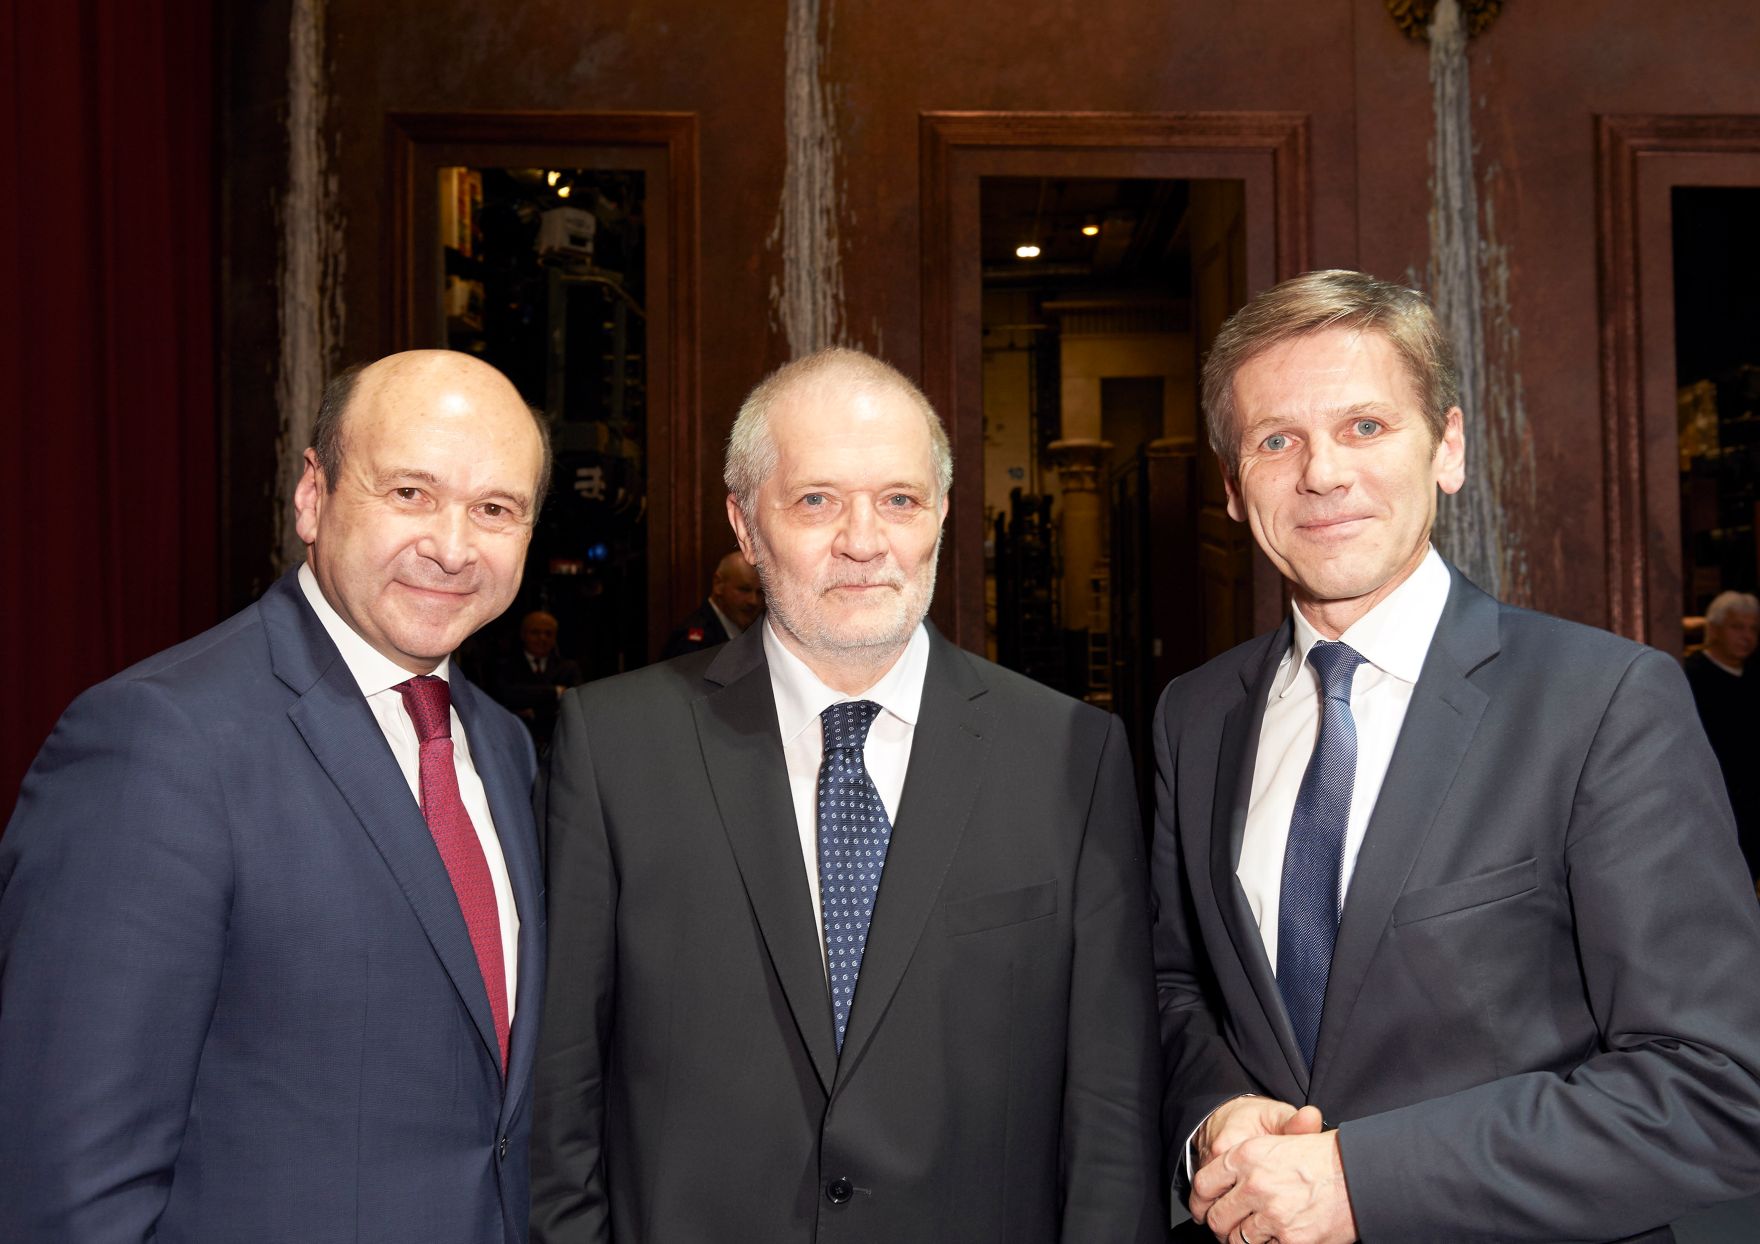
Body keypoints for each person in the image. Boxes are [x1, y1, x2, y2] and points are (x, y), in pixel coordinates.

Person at [1151, 271, 1760, 1244]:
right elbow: (1175, 984)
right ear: (1231, 487)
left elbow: (1717, 1084)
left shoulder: (1604, 701)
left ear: (1446, 448)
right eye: (1275, 440)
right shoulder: (1193, 714)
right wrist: (1211, 1114)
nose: (1320, 473)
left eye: (1362, 427)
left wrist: (1360, 1178)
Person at [532, 347, 1162, 1243]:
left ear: (941, 516)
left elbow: (1112, 1112)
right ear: (745, 526)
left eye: (899, 500)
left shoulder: (1071, 753)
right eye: (816, 500)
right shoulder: (613, 749)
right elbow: (563, 1096)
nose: (864, 541)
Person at [0, 350, 551, 1243]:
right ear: (312, 495)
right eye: (410, 493)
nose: (452, 546)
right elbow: (68, 1184)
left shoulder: (504, 745)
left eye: (494, 509)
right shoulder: (158, 742)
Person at [1684, 590, 1760, 889]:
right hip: (1712, 801)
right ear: (1713, 629)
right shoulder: (1691, 675)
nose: (1746, 636)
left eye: (1753, 628)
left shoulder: (1755, 676)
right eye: (1737, 627)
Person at [486, 609, 584, 751]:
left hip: (556, 743)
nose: (542, 638)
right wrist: (555, 691)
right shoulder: (505, 666)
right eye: (535, 632)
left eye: (548, 633)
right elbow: (506, 695)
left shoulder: (568, 668)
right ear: (523, 635)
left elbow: (574, 704)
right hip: (514, 742)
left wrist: (533, 710)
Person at [658, 548, 763, 658]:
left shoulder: (752, 630)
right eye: (744, 590)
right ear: (718, 584)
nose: (753, 601)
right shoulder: (693, 641)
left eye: (760, 592)